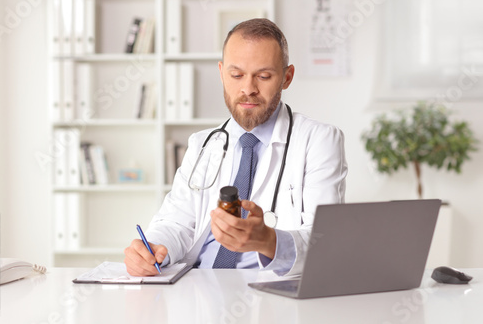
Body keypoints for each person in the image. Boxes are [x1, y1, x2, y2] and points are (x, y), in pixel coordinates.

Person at [124, 18, 347, 277]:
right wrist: (152, 248)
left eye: (263, 76)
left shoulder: (319, 141)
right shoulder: (203, 143)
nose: (248, 89)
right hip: (197, 287)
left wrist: (268, 241)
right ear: (221, 73)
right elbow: (176, 222)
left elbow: (325, 242)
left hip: (267, 295)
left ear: (287, 77)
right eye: (236, 75)